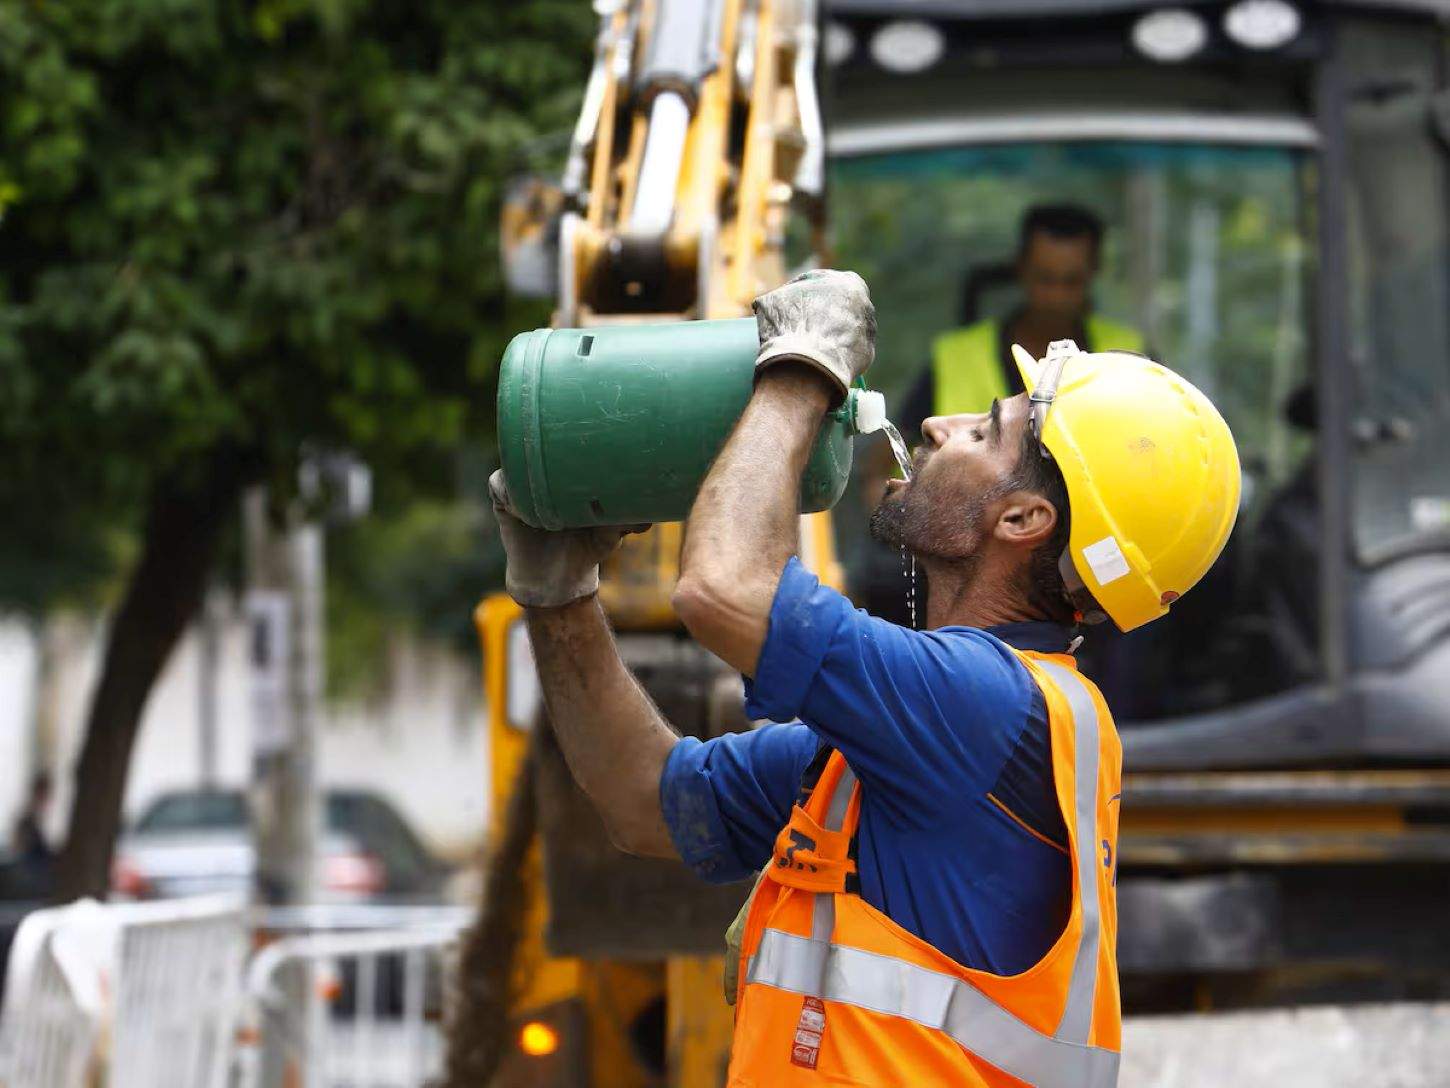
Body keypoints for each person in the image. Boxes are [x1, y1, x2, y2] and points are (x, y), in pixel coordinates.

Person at [490, 270, 1239, 1086]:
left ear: (1022, 520)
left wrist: (802, 369)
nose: (935, 424)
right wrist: (561, 599)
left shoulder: (982, 705)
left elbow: (724, 589)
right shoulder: (927, 740)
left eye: (985, 431)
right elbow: (646, 804)